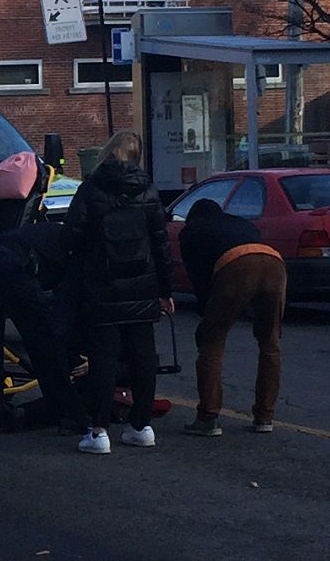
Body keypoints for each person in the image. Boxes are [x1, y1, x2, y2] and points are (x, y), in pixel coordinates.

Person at [65, 130, 172, 454]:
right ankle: (141, 426)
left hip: (102, 286)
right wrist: (165, 290)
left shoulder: (91, 188)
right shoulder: (148, 189)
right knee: (143, 358)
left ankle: (99, 431)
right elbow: (161, 243)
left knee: (103, 359)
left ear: (108, 153)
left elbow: (71, 235)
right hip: (142, 284)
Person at [179, 199, 287, 436]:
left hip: (235, 265)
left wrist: (205, 315)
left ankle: (208, 418)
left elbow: (199, 276)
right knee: (270, 343)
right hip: (274, 263)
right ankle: (265, 417)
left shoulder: (191, 231)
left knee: (211, 342)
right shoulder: (240, 222)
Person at [0, 221, 88, 434]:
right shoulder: (79, 253)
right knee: (43, 341)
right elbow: (65, 310)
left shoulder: (54, 233)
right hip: (12, 266)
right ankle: (68, 414)